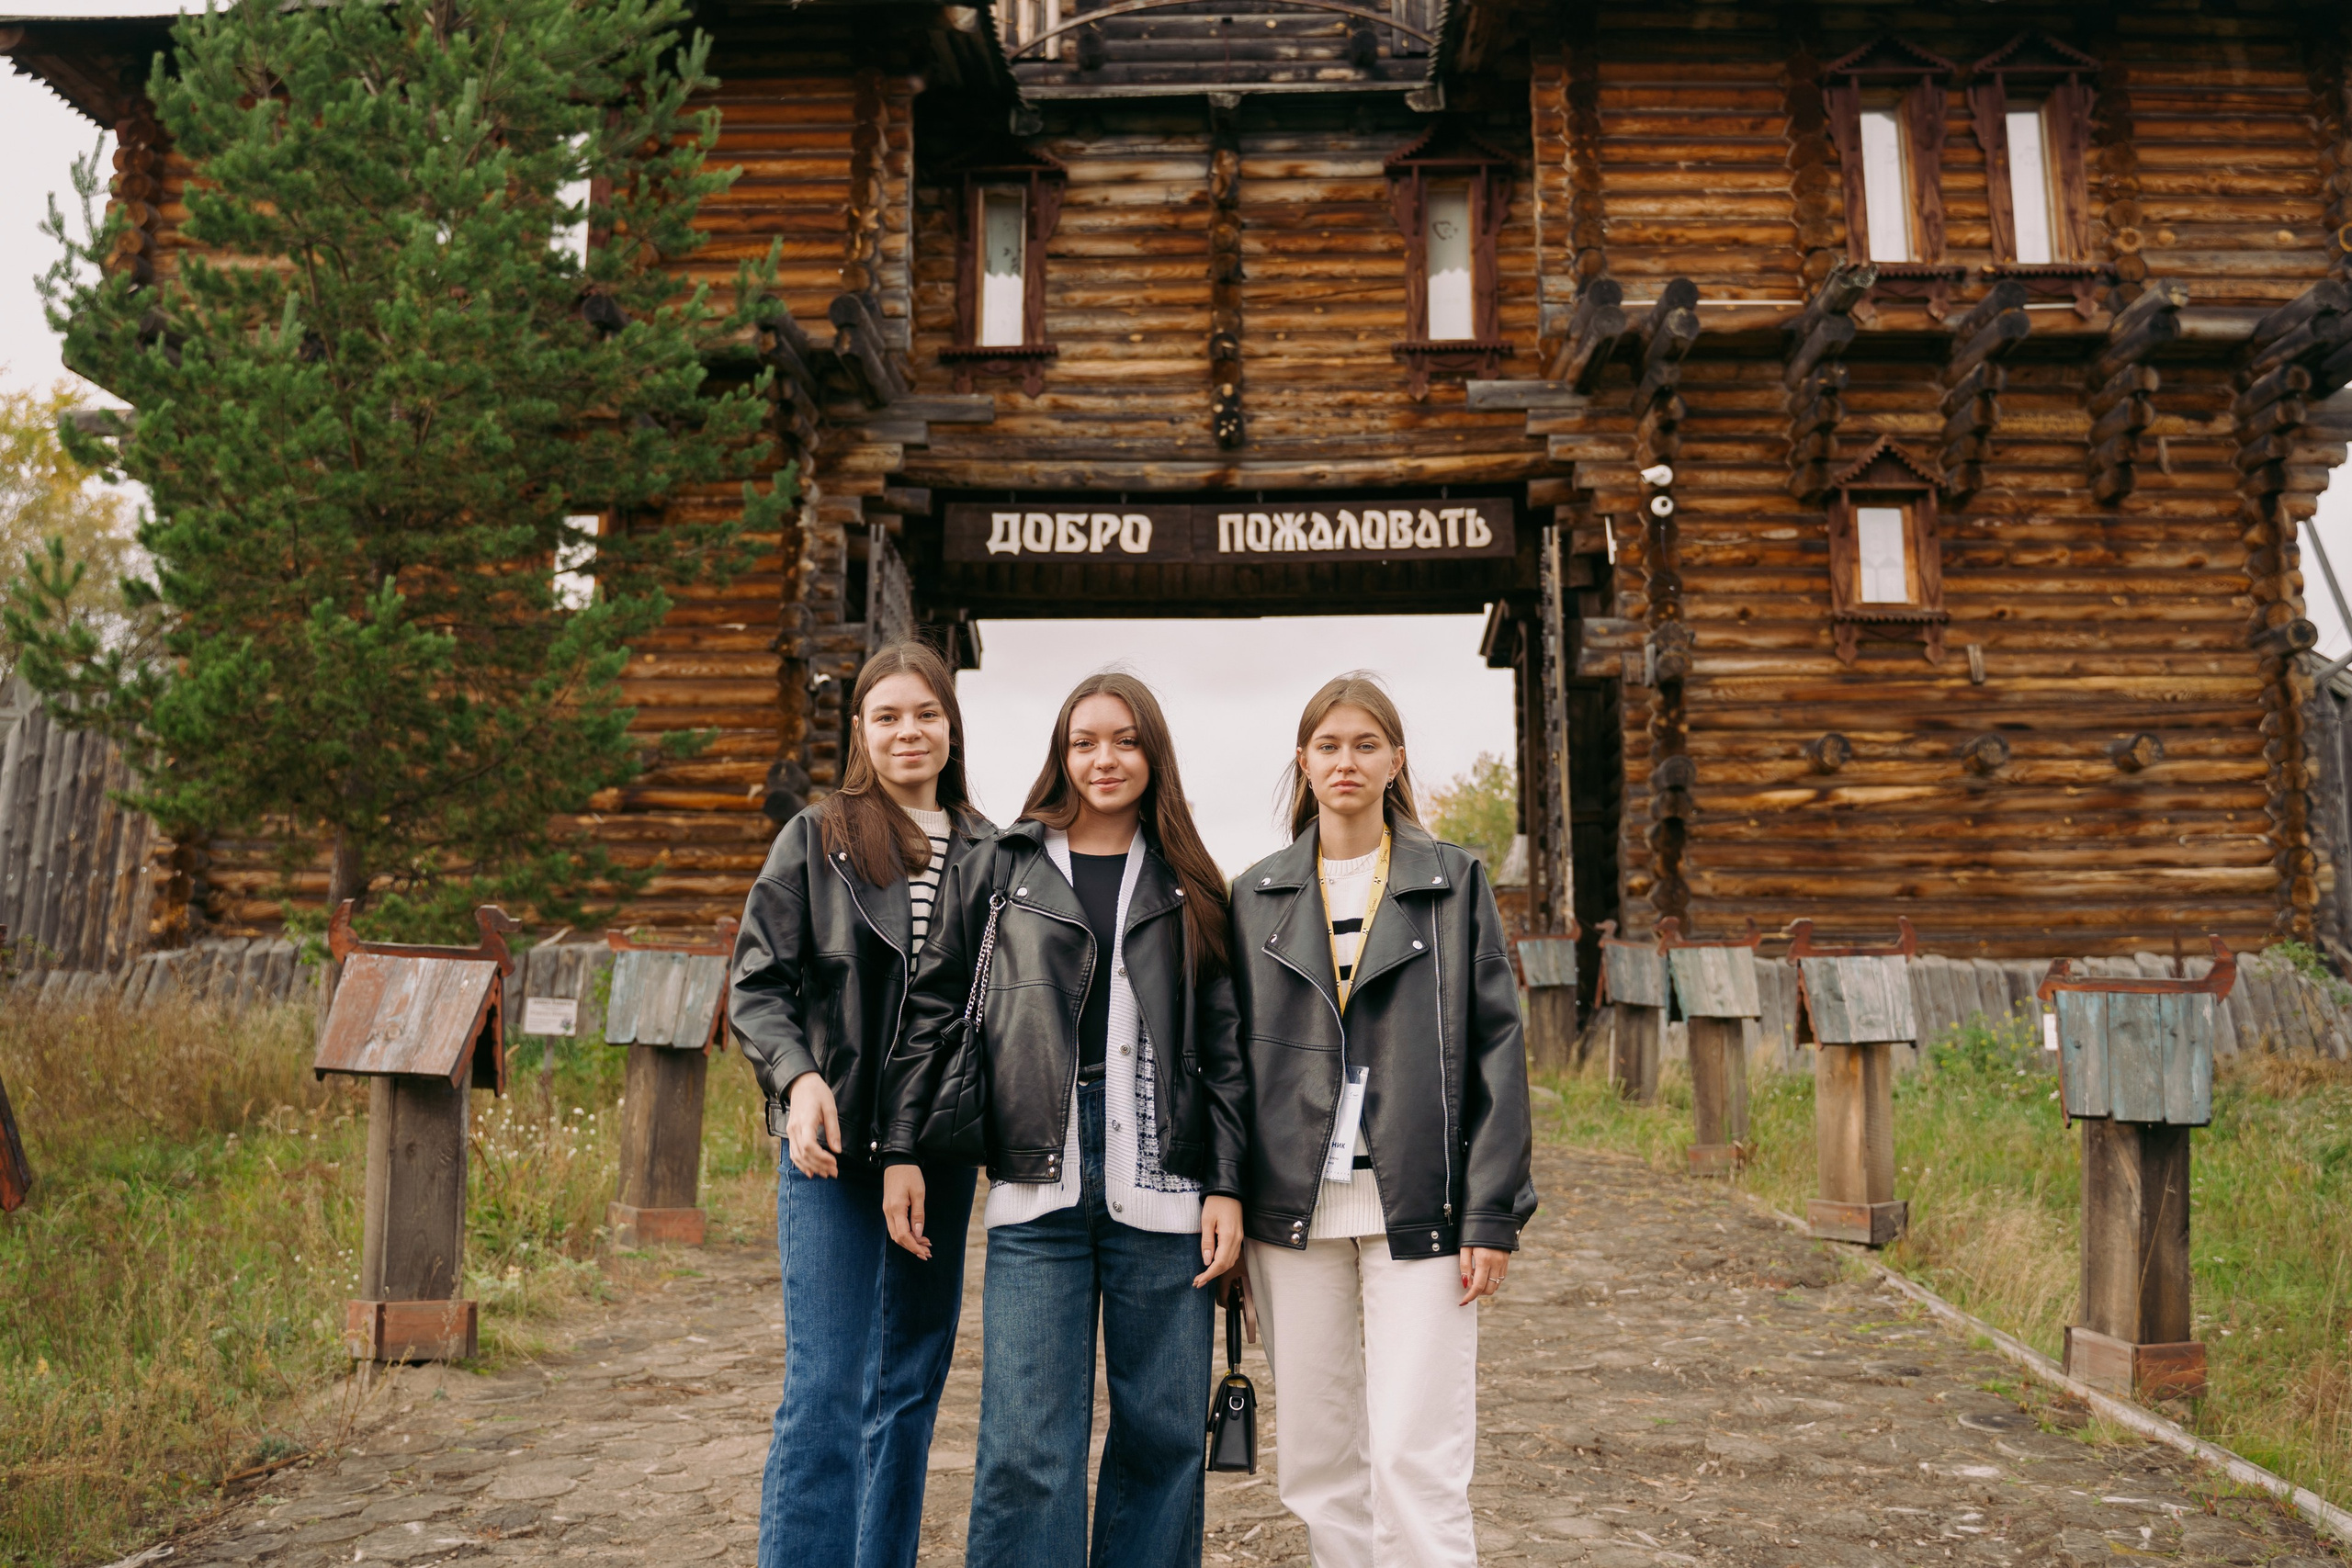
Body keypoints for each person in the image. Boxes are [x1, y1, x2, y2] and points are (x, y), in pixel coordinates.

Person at [878, 671, 1249, 1568]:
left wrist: (1229, 1186)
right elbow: (928, 1012)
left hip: (1165, 1180)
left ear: (1152, 754)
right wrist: (902, 1150)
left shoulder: (1192, 885)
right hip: (1034, 1175)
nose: (1103, 759)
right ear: (1060, 754)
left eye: (1123, 740)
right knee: (1026, 1448)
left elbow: (1228, 1047)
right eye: (1084, 742)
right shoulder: (1002, 868)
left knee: (1161, 1441)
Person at [1229, 671, 1536, 1568]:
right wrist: (1229, 1201)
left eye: (1365, 744)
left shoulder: (1454, 881)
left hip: (1424, 1207)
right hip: (1292, 1216)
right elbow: (1228, 1062)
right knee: (1320, 1466)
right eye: (1328, 745)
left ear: (1395, 761)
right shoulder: (1255, 895)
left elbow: (1497, 1051)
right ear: (1303, 761)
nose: (1346, 761)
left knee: (1417, 1458)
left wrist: (1492, 1214)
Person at [729, 639, 991, 1568]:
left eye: (925, 714)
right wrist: (797, 1079)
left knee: (910, 1385)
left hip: (939, 1152)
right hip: (828, 1147)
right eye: (888, 716)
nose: (908, 731)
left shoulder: (993, 854)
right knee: (826, 1387)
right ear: (861, 734)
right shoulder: (817, 837)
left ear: (951, 727)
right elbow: (756, 986)